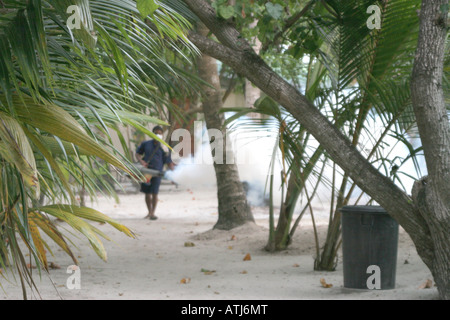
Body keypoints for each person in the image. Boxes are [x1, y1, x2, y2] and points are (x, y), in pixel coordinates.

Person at [135, 126, 174, 220]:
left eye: (160, 133)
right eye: (156, 133)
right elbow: (137, 154)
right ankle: (149, 212)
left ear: (162, 134)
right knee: (147, 193)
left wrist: (173, 174)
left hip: (157, 172)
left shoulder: (164, 147)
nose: (158, 135)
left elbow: (168, 161)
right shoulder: (146, 144)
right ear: (152, 134)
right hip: (146, 171)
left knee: (155, 193)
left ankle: (153, 213)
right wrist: (142, 162)